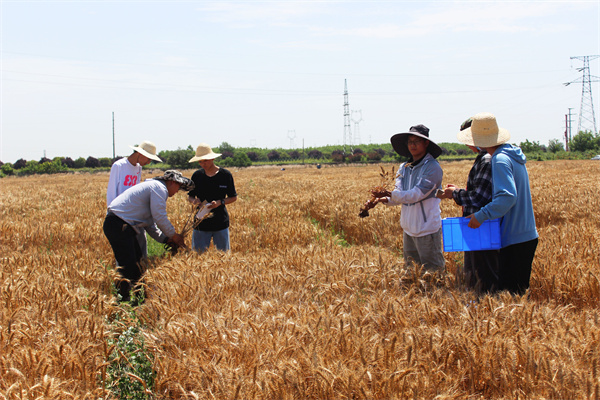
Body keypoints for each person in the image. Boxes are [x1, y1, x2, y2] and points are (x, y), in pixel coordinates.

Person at [458, 112, 538, 295]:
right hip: (525, 235)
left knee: (508, 296)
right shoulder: (511, 155)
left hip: (514, 237)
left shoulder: (500, 159)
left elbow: (507, 197)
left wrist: (481, 215)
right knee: (515, 297)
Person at [103, 170, 194, 303]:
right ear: (172, 182)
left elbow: (150, 225)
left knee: (138, 263)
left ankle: (137, 299)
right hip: (119, 225)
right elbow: (159, 216)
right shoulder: (159, 188)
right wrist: (174, 236)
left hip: (121, 225)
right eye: (178, 187)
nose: (177, 192)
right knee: (128, 264)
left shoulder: (153, 188)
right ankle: (124, 300)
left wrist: (165, 239)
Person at [438, 117, 500, 293]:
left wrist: (455, 194)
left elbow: (480, 198)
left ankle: (486, 309)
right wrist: (457, 191)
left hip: (483, 226)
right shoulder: (484, 158)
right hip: (477, 225)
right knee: (475, 274)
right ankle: (480, 309)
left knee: (484, 275)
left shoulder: (486, 160)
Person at [375, 124, 445, 272]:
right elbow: (399, 193)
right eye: (410, 141)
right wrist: (384, 200)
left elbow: (415, 195)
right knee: (411, 271)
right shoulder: (404, 167)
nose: (412, 145)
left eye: (416, 141)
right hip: (408, 228)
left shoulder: (432, 168)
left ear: (426, 143)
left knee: (432, 271)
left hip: (426, 228)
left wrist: (389, 194)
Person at [106, 140, 162, 257]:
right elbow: (112, 191)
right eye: (148, 159)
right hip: (120, 214)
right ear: (140, 154)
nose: (148, 162)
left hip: (134, 213)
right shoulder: (119, 166)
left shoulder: (138, 168)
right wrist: (112, 214)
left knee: (141, 246)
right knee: (125, 250)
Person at [187, 143, 238, 253]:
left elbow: (233, 197)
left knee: (223, 257)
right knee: (197, 256)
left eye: (205, 160)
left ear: (212, 158)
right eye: (200, 161)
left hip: (220, 222)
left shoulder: (225, 175)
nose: (203, 164)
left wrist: (220, 202)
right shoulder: (197, 176)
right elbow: (190, 196)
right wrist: (194, 201)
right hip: (200, 223)